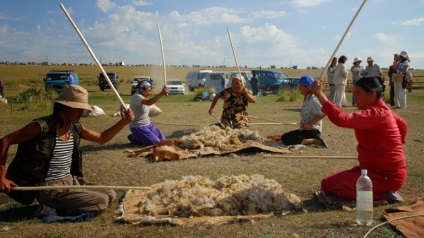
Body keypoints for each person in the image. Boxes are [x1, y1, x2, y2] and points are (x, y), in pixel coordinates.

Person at [0, 85, 134, 216]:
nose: (82, 113)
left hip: (70, 181)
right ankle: (50, 208)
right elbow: (4, 141)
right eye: (79, 109)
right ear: (66, 107)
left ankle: (64, 205)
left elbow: (101, 138)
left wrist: (123, 122)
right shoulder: (40, 127)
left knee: (110, 194)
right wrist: (1, 177)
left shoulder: (74, 127)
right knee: (102, 201)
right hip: (49, 187)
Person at [311, 76, 407, 202]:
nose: (355, 98)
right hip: (371, 170)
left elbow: (341, 119)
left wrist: (319, 94)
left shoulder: (376, 113)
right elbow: (403, 124)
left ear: (372, 93)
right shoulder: (384, 111)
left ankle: (384, 196)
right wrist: (395, 145)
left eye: (358, 94)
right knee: (327, 183)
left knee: (332, 185)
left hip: (387, 176)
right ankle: (382, 191)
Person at [281, 75, 328, 148]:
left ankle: (315, 140)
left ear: (306, 87)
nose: (300, 91)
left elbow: (324, 113)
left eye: (300, 89)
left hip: (312, 130)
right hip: (305, 130)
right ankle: (310, 139)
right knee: (284, 137)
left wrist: (309, 124)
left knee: (288, 139)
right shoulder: (307, 97)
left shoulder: (313, 99)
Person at [129, 78, 168, 146]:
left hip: (148, 124)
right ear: (142, 90)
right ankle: (134, 137)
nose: (151, 90)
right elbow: (149, 102)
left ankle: (137, 136)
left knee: (163, 141)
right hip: (138, 126)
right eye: (149, 89)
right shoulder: (136, 96)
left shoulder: (144, 95)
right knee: (156, 143)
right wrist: (162, 93)